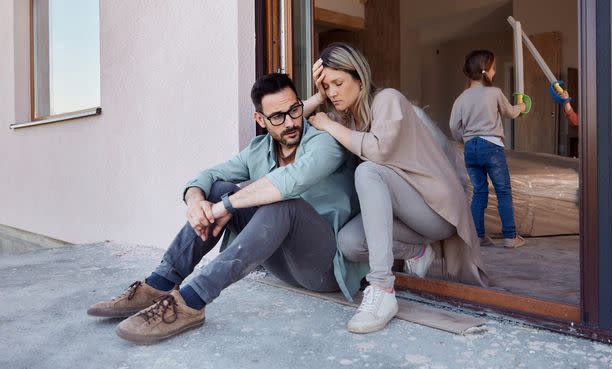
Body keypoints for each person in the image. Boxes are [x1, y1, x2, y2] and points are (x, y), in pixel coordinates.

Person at [87, 73, 359, 344]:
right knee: (217, 189)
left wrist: (225, 206)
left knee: (281, 203)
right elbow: (206, 177)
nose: (289, 122)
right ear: (260, 120)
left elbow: (287, 182)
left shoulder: (325, 143)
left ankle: (191, 302)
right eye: (277, 117)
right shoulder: (257, 150)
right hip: (282, 265)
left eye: (294, 110)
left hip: (323, 268)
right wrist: (196, 203)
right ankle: (159, 284)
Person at [305, 42, 488, 334]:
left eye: (338, 83)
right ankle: (419, 251)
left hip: (434, 209)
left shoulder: (387, 99)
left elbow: (378, 150)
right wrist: (317, 97)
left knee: (368, 171)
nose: (333, 93)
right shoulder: (348, 117)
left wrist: (330, 125)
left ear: (360, 77)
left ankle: (382, 290)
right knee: (349, 242)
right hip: (407, 217)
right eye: (327, 87)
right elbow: (287, 123)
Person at [449, 49, 527, 249]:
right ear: (485, 70)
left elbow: (453, 127)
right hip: (491, 146)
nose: (494, 72)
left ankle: (478, 236)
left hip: (470, 149)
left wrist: (464, 139)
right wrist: (521, 107)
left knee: (479, 191)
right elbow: (510, 112)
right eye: (493, 68)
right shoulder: (494, 92)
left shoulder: (461, 98)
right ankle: (510, 236)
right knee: (503, 191)